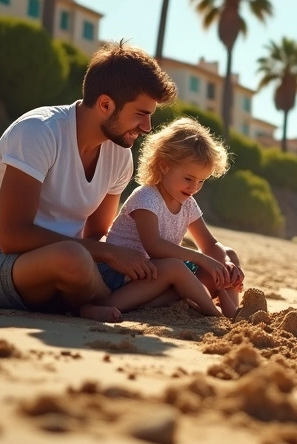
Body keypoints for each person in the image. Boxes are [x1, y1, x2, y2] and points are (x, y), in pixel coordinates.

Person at [0, 40, 177, 321]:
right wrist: (109, 254)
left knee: (166, 266)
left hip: (64, 266)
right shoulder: (39, 131)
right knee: (74, 258)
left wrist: (118, 257)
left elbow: (94, 235)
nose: (146, 128)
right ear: (106, 104)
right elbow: (13, 237)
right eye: (140, 114)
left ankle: (97, 299)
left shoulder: (120, 156)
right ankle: (111, 301)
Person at [99, 117, 244, 317]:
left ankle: (232, 310)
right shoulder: (146, 197)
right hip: (123, 274)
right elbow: (154, 247)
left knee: (228, 255)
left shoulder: (187, 203)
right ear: (165, 166)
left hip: (156, 274)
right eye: (188, 178)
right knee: (176, 268)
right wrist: (201, 259)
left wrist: (225, 263)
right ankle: (215, 315)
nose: (194, 188)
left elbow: (209, 244)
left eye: (201, 181)